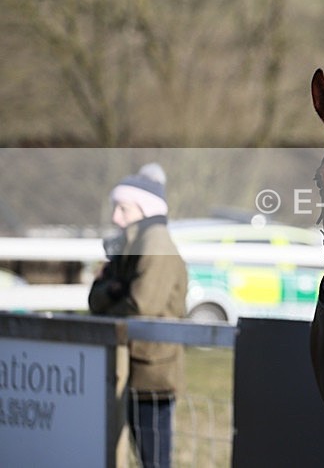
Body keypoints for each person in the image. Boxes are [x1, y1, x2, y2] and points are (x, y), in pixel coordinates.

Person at [89, 163, 188, 468]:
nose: (115, 217)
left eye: (123, 208)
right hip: (130, 368)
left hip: (150, 375)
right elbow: (96, 296)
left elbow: (141, 303)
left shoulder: (155, 242)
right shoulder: (132, 243)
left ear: (144, 208)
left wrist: (113, 298)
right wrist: (113, 294)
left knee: (153, 460)